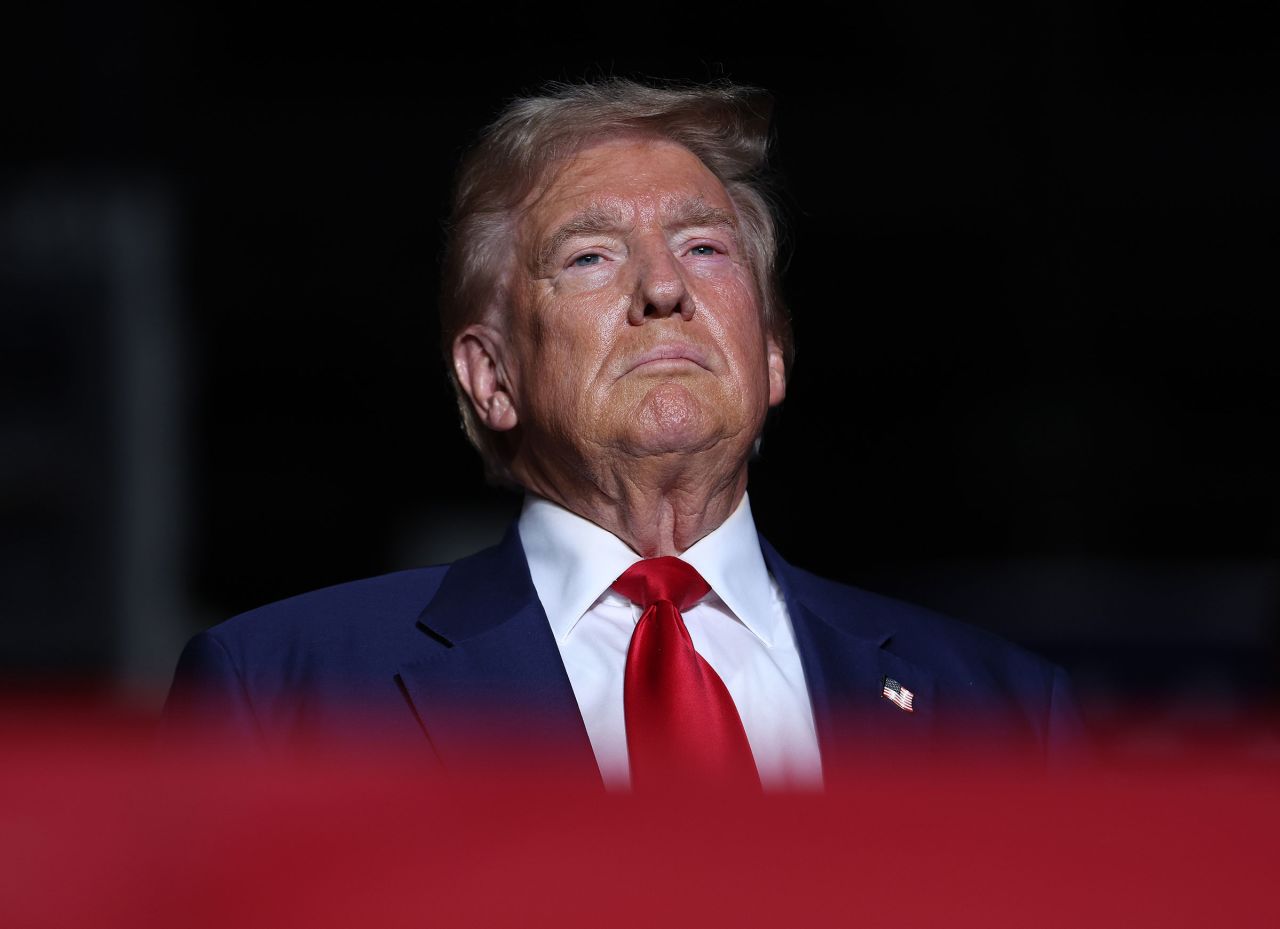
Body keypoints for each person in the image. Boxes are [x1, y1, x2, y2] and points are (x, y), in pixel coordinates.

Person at [164, 79, 1082, 789]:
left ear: (770, 355)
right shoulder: (283, 692)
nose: (664, 287)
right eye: (591, 255)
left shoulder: (1000, 710)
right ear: (492, 377)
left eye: (705, 247)